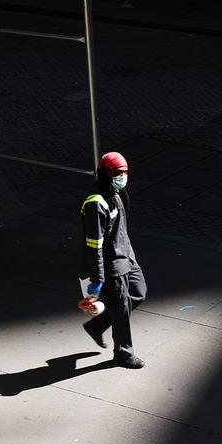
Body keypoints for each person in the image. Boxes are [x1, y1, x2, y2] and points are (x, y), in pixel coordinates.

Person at [79, 151, 147, 369]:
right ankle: (123, 353)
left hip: (126, 256)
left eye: (125, 172)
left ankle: (96, 326)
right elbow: (94, 245)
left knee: (138, 293)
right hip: (111, 266)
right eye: (118, 173)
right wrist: (97, 278)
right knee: (121, 310)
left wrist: (129, 255)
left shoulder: (115, 192)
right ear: (106, 173)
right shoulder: (96, 203)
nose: (122, 177)